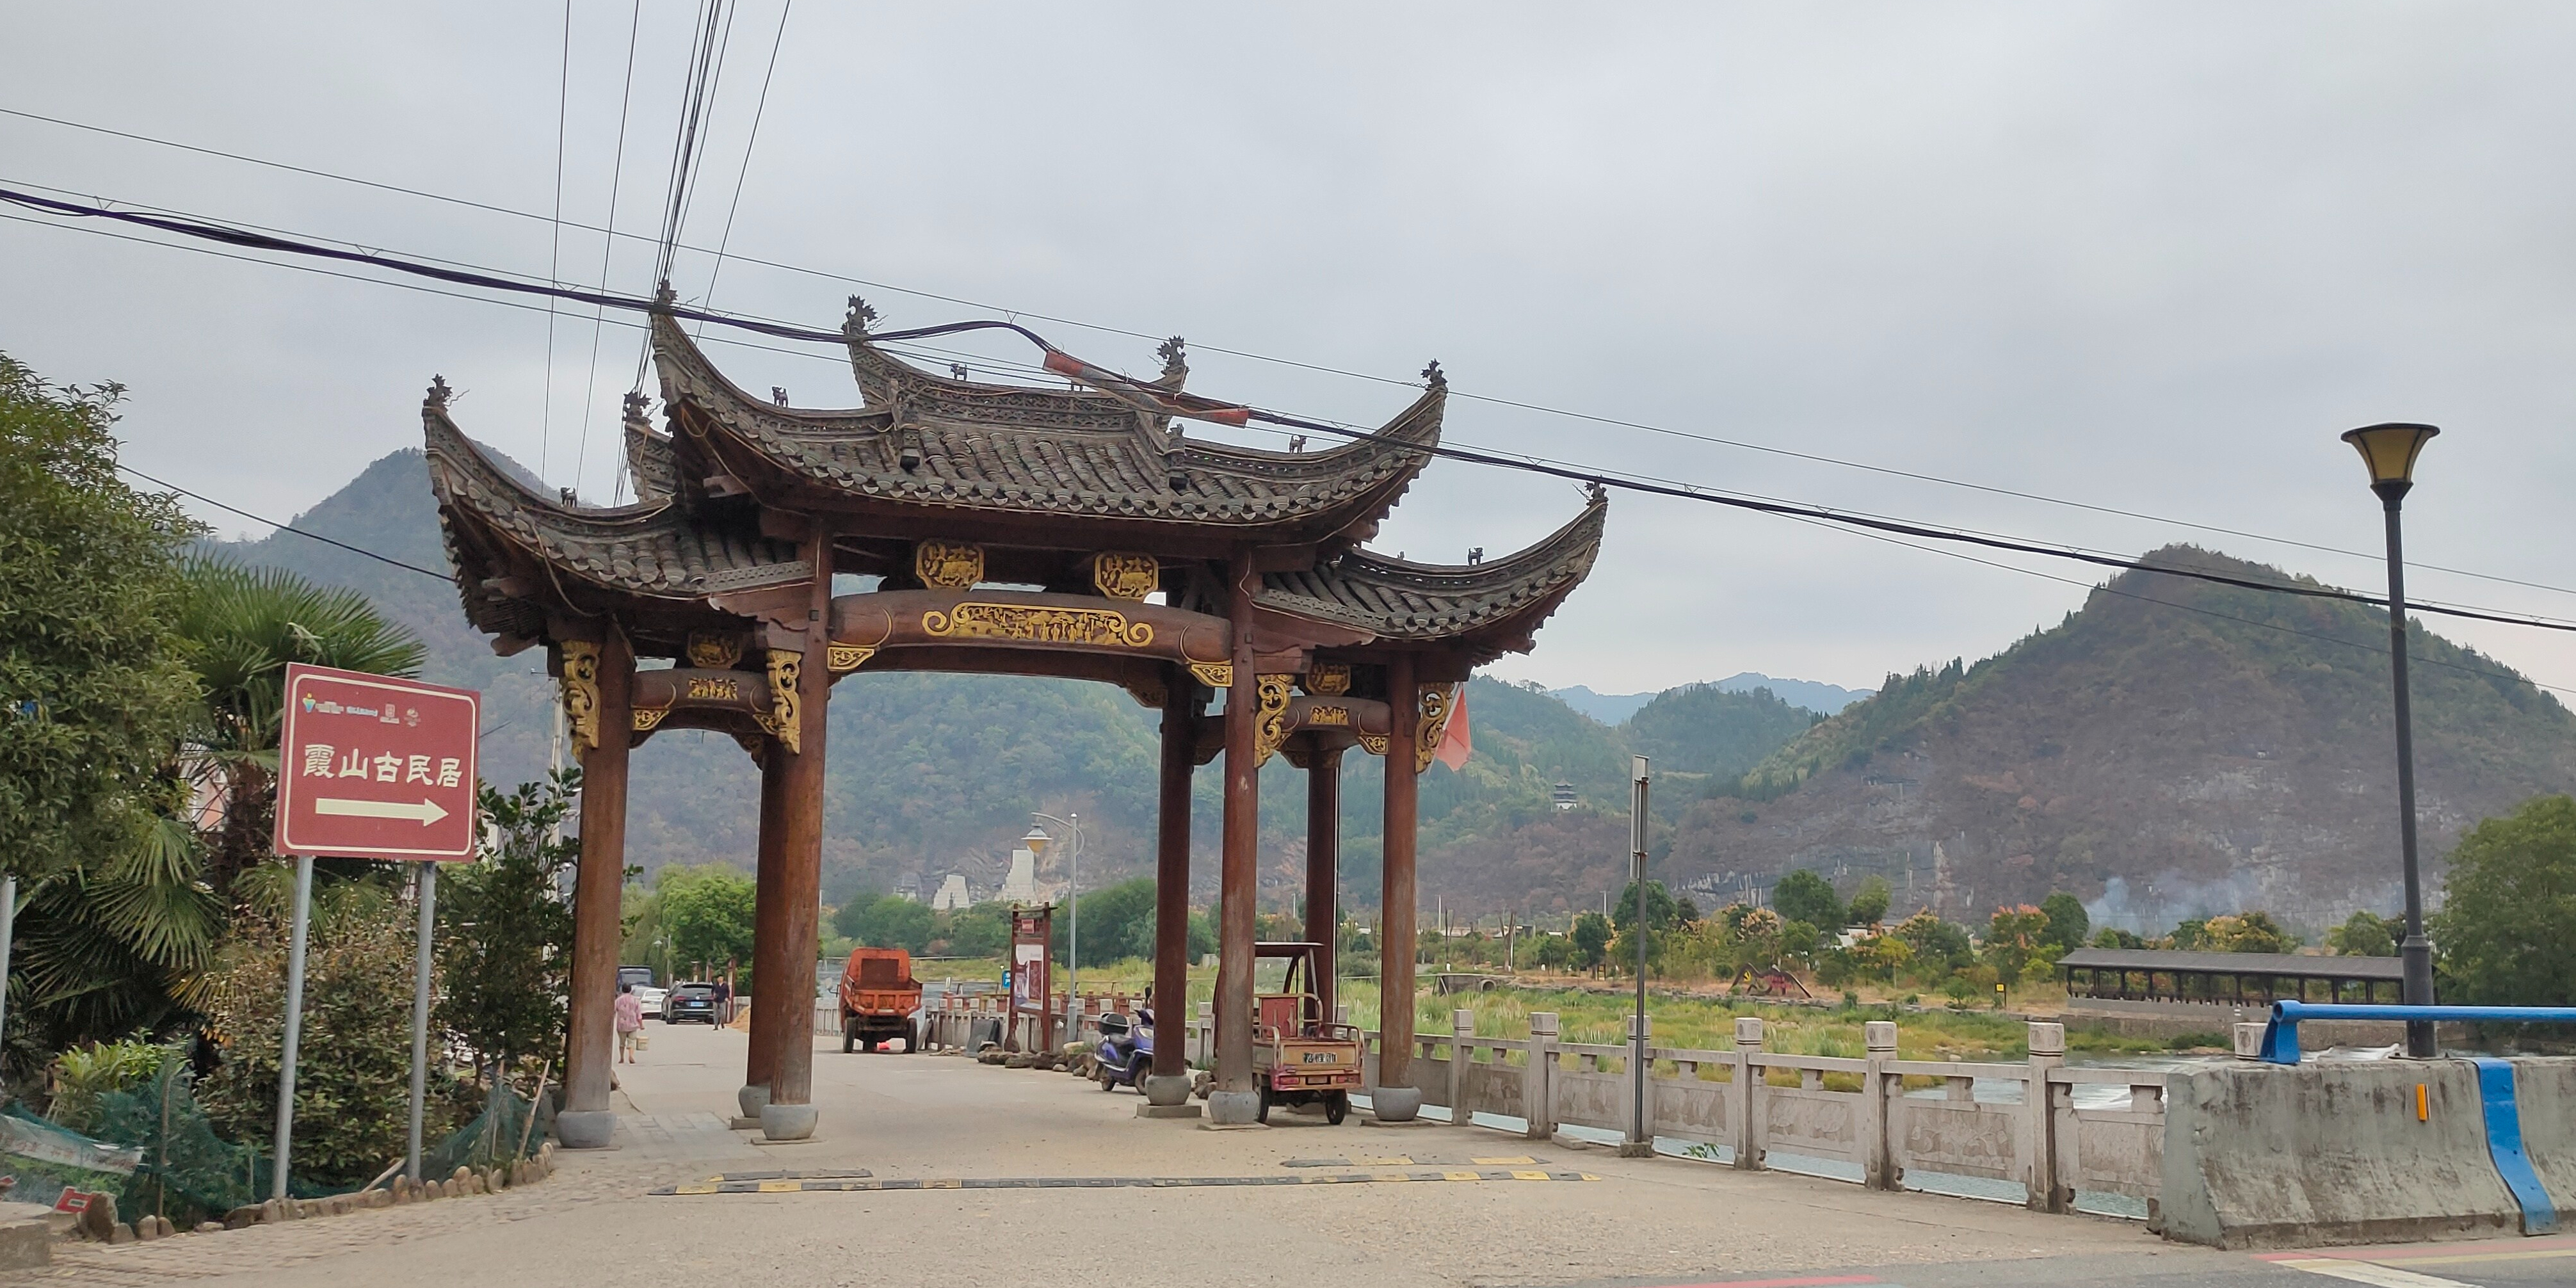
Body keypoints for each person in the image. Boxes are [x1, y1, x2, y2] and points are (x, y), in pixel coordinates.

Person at [615, 982, 645, 1063]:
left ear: (622, 990)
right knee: (632, 1041)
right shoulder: (636, 1000)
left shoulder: (618, 1000)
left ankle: (621, 1058)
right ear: (631, 990)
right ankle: (631, 1056)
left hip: (622, 1025)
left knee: (622, 1043)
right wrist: (641, 1024)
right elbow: (639, 1014)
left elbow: (614, 1011)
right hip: (633, 1024)